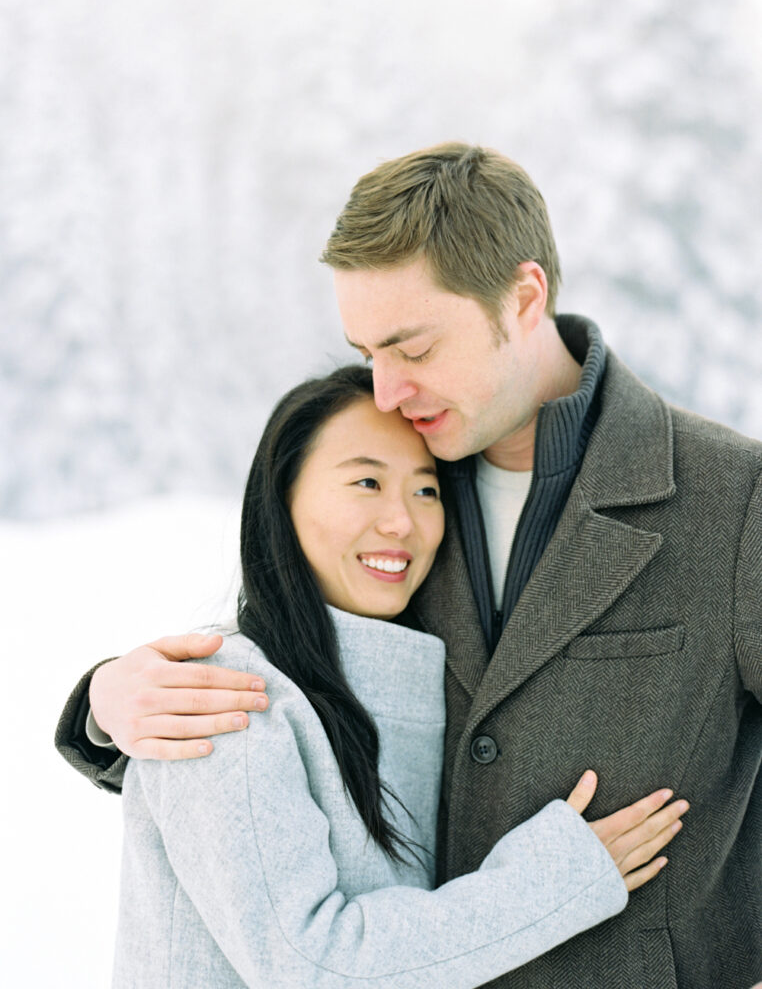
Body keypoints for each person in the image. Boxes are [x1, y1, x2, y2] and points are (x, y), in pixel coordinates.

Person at [56, 143, 761, 989]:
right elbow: (294, 667)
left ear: (523, 298)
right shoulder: (399, 484)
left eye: (413, 348)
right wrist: (108, 699)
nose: (387, 391)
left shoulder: (732, 498)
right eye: (367, 350)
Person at [105, 364, 683, 987]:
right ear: (283, 494)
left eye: (426, 490)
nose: (402, 522)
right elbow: (310, 965)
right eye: (366, 481)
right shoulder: (224, 697)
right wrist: (557, 879)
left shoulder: (411, 677)